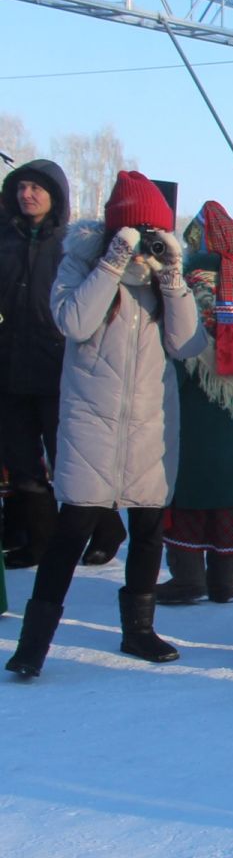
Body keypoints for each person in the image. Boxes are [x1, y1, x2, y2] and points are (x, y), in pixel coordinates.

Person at [6, 171, 207, 677]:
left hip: (149, 422)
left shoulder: (162, 281)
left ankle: (138, 631)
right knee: (71, 530)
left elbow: (187, 345)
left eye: (152, 234)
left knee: (146, 528)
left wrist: (172, 275)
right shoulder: (79, 263)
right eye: (135, 232)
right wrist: (114, 260)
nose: (144, 245)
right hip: (91, 421)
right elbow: (73, 322)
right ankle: (35, 642)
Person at [154, 200, 233, 606]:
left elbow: (179, 340)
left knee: (188, 484)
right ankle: (225, 582)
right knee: (232, 486)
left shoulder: (190, 279)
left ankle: (187, 577)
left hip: (194, 396)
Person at [1, 157, 71, 572]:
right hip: (8, 368)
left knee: (66, 458)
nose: (27, 195)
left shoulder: (68, 244)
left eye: (36, 189)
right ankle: (42, 543)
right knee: (23, 461)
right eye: (21, 187)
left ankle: (96, 531)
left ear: (54, 196)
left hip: (55, 367)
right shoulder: (4, 240)